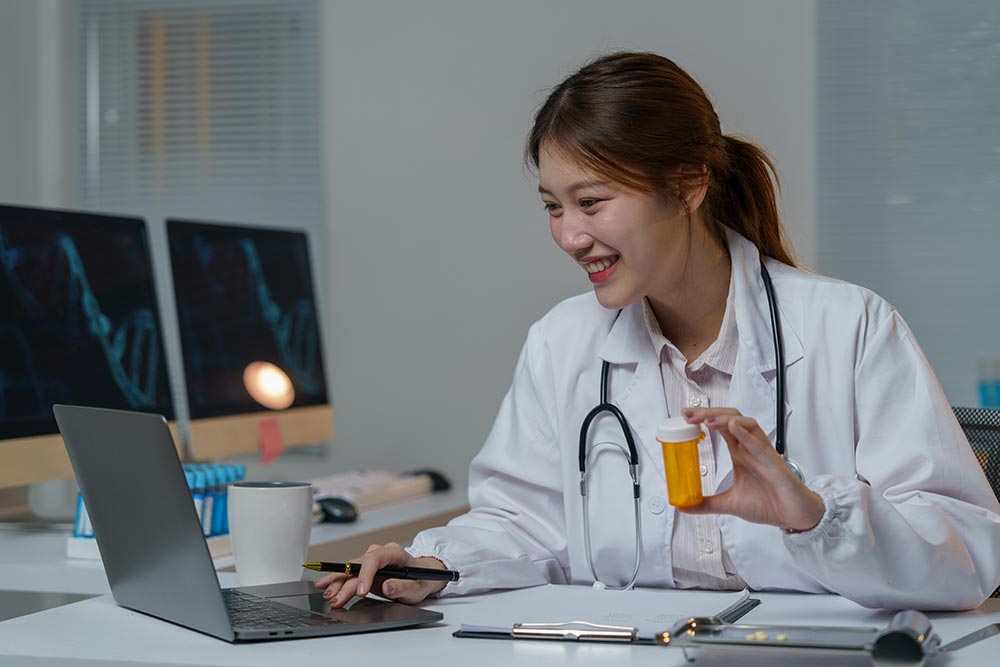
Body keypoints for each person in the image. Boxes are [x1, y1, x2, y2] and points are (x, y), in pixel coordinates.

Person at [316, 51, 1000, 610]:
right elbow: (524, 521)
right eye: (553, 206)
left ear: (688, 185)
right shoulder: (563, 343)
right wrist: (434, 563)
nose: (569, 235)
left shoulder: (850, 328)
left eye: (591, 202)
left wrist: (815, 514)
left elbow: (967, 553)